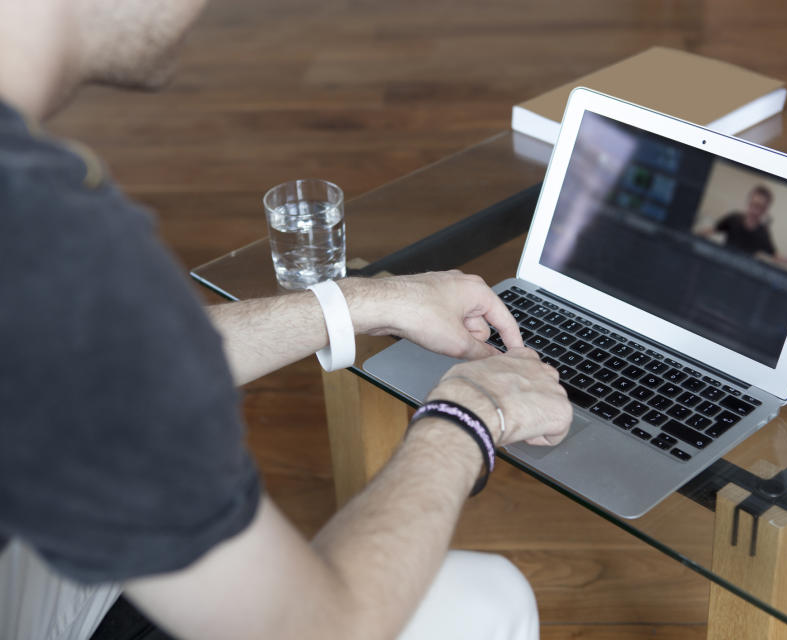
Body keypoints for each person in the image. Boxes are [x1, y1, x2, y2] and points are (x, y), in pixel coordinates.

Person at [0, 1, 572, 639]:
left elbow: (97, 368)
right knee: (488, 602)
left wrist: (359, 302)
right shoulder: (43, 240)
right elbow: (325, 629)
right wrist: (469, 413)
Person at [712, 185, 777, 256]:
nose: (755, 211)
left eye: (761, 208)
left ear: (765, 210)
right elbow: (711, 231)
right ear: (748, 202)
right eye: (753, 205)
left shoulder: (763, 232)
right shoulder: (733, 218)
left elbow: (774, 255)